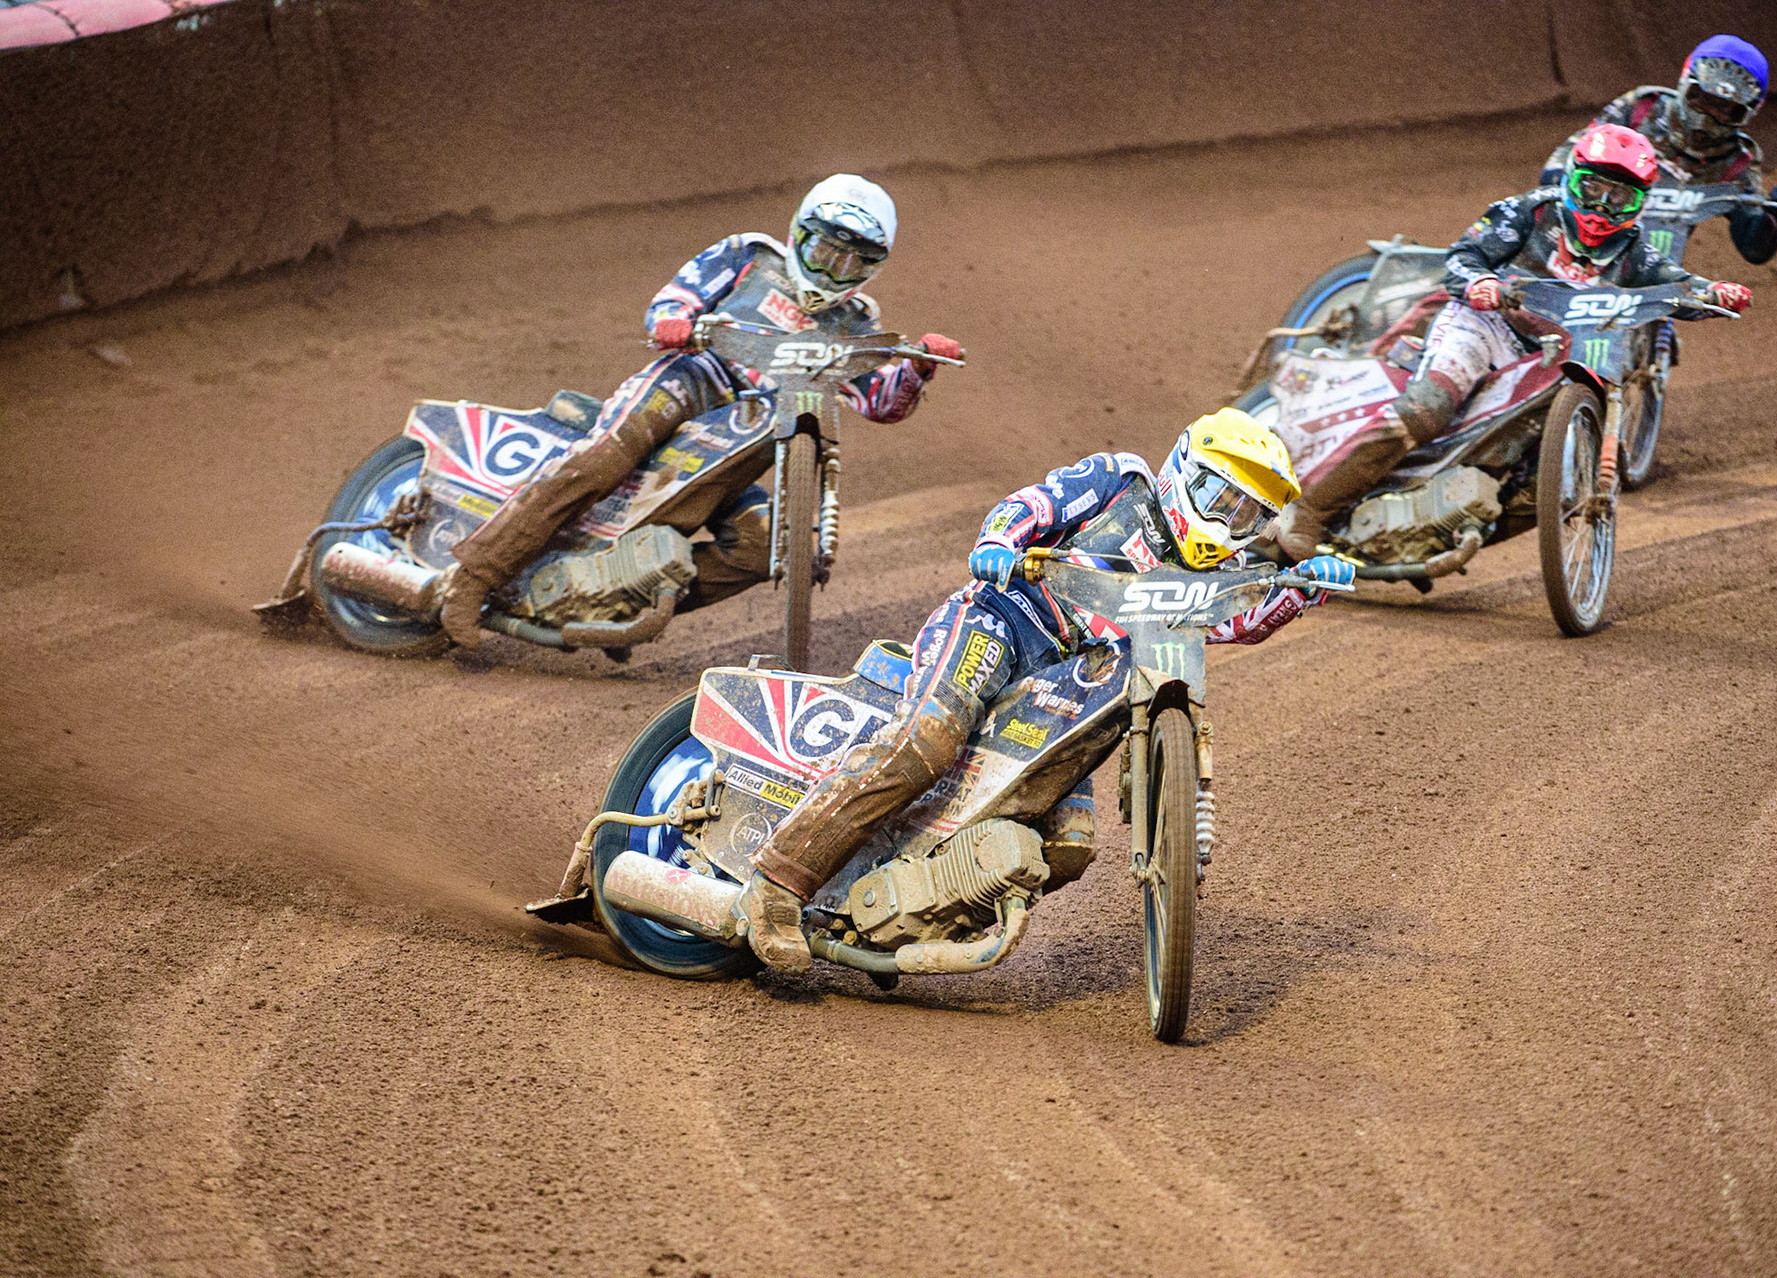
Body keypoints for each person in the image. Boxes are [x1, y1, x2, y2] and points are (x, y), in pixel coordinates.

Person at [733, 408, 1356, 973]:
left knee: (1067, 844)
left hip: (1072, 687)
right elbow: (1032, 502)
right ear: (1183, 471)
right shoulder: (1124, 482)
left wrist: (1300, 590)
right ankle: (777, 886)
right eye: (1219, 496)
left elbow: (1237, 623)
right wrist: (1000, 542)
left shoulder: (1212, 574)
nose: (1227, 522)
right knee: (931, 735)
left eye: (1246, 514)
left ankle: (900, 923)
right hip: (1001, 621)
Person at [439, 174, 962, 645]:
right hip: (694, 379)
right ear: (801, 233)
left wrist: (919, 370)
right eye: (826, 251)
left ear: (873, 267)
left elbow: (879, 401)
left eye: (853, 262)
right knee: (603, 457)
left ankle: (619, 602)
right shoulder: (749, 256)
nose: (833, 270)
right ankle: (474, 577)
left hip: (756, 431)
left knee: (769, 547)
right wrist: (675, 322)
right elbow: (673, 300)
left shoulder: (856, 322)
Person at [1278, 124, 1752, 561]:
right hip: (1484, 325)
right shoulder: (1529, 212)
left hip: (1547, 356)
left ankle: (1427, 526)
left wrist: (1712, 293)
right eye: (1593, 189)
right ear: (1573, 179)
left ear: (1640, 205)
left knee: (1534, 475)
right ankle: (1311, 510)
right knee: (1431, 406)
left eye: (1620, 198)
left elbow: (1675, 285)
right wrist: (1482, 282)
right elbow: (1463, 256)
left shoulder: (1634, 252)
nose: (1602, 208)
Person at [1539, 34, 1777, 265]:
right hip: (1583, 229)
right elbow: (1564, 160)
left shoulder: (1736, 159)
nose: (1707, 116)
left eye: (1725, 109)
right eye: (1702, 99)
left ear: (1747, 114)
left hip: (1648, 263)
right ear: (1685, 84)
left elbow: (1752, 247)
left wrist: (1775, 216)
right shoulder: (1643, 109)